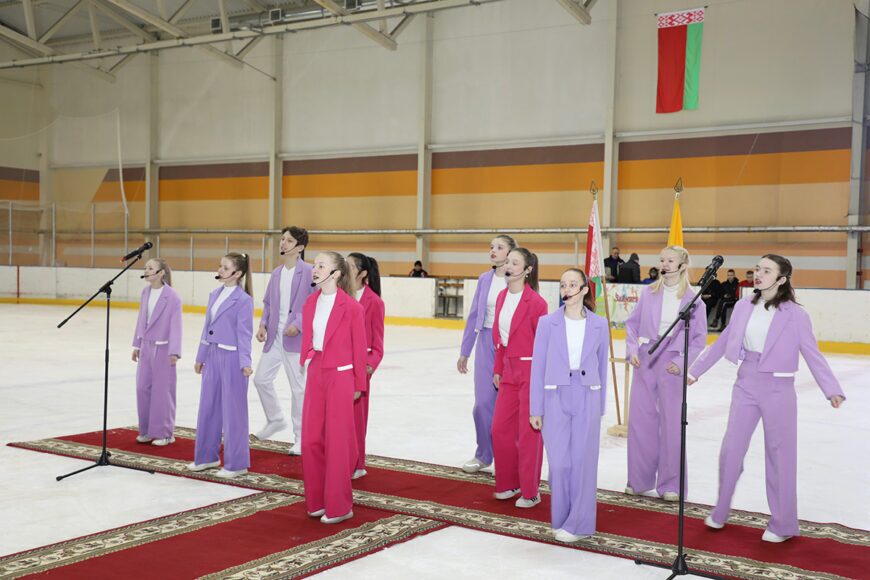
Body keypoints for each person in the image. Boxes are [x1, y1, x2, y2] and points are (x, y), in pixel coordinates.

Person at [688, 254, 845, 543]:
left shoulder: (796, 315)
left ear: (782, 279)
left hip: (779, 388)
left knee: (780, 456)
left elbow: (812, 353)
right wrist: (695, 371)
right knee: (731, 450)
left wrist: (831, 389)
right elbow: (723, 341)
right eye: (758, 269)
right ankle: (721, 509)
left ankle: (783, 524)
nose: (758, 274)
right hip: (746, 383)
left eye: (767, 270)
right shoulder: (743, 305)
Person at [530, 268, 608, 543]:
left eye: (573, 284)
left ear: (585, 289)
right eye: (563, 284)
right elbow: (538, 366)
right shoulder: (546, 323)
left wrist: (600, 407)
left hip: (588, 395)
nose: (566, 289)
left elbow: (602, 365)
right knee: (560, 463)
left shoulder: (599, 324)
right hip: (555, 395)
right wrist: (536, 407)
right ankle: (561, 518)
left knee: (583, 462)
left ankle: (580, 524)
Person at [624, 246, 707, 501]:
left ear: (683, 265)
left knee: (672, 423)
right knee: (640, 421)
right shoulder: (649, 293)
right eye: (662, 260)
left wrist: (682, 362)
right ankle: (639, 480)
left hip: (672, 362)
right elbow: (631, 324)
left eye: (670, 260)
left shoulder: (694, 300)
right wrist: (632, 350)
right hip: (647, 357)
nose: (665, 264)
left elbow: (699, 339)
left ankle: (671, 484)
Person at [300, 251, 368, 524]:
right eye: (314, 265)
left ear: (336, 273)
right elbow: (310, 337)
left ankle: (340, 506)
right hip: (316, 371)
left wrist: (359, 384)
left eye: (321, 265)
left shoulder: (352, 308)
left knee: (338, 442)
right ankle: (317, 500)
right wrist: (306, 359)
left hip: (341, 376)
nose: (314, 269)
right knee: (310, 440)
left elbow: (360, 349)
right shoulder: (310, 302)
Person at [490, 247, 548, 509]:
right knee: (499, 429)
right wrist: (498, 368)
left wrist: (541, 378)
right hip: (508, 370)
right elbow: (500, 340)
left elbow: (544, 344)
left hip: (530, 371)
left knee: (528, 433)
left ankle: (530, 490)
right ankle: (509, 482)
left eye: (515, 263)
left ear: (527, 270)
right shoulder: (501, 296)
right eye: (508, 262)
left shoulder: (536, 303)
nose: (509, 266)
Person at [189, 252, 254, 479]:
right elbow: (207, 328)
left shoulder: (243, 300)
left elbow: (245, 334)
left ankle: (237, 464)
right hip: (213, 357)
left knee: (233, 413)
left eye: (225, 268)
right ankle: (207, 456)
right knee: (208, 407)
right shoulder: (214, 294)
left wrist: (245, 362)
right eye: (220, 266)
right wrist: (201, 357)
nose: (220, 270)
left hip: (233, 359)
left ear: (237, 273)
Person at [456, 234, 517, 473]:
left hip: (511, 345)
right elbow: (474, 315)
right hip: (485, 343)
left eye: (499, 247)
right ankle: (483, 454)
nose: (493, 250)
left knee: (509, 406)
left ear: (510, 253)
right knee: (482, 404)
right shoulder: (484, 279)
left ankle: (508, 456)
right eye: (491, 247)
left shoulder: (518, 279)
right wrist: (465, 350)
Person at [252, 226, 314, 455]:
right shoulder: (277, 273)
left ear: (300, 247)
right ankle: (276, 418)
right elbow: (268, 302)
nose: (283, 243)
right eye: (282, 239)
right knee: (260, 379)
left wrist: (298, 324)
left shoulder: (309, 272)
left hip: (295, 339)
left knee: (298, 389)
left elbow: (312, 303)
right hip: (275, 337)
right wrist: (262, 324)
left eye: (289, 240)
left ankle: (301, 437)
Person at [132, 257, 182, 447]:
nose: (146, 270)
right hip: (146, 346)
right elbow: (141, 319)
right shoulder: (145, 292)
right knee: (142, 388)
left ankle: (165, 433)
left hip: (164, 348)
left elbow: (176, 325)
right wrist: (137, 345)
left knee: (163, 391)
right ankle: (146, 430)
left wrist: (174, 351)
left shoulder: (172, 296)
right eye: (145, 267)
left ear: (161, 273)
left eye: (150, 268)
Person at [347, 252, 386, 480]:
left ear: (362, 273)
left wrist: (368, 367)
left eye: (350, 266)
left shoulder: (374, 303)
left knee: (356, 418)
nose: (345, 268)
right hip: (338, 365)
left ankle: (357, 463)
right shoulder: (338, 295)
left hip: (360, 369)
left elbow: (378, 345)